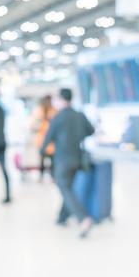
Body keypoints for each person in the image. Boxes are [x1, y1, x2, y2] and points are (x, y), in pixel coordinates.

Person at [41, 88, 95, 238]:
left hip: (62, 160)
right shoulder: (79, 115)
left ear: (60, 99)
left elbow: (47, 138)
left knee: (64, 188)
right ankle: (62, 218)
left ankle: (83, 218)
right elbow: (91, 130)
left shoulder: (57, 117)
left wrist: (41, 154)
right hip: (77, 159)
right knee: (68, 187)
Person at [30, 95, 57, 182]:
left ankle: (44, 177)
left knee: (45, 159)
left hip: (44, 141)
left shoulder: (51, 111)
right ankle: (49, 177)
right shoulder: (47, 111)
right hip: (46, 141)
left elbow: (32, 127)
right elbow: (32, 127)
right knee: (50, 160)